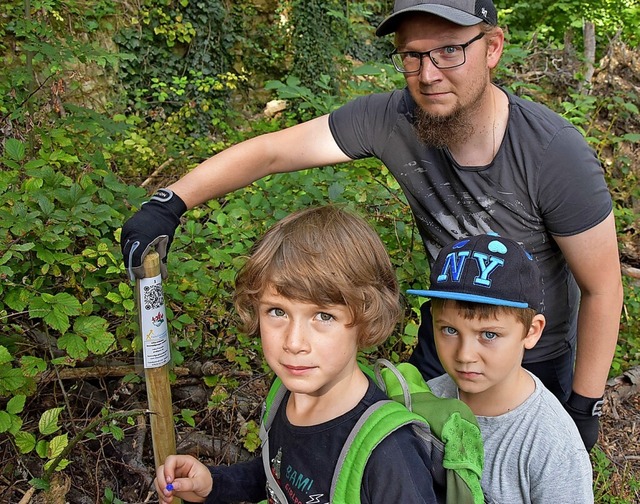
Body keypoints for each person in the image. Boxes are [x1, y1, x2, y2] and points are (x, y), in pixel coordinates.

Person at [121, 0, 623, 451]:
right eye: (412, 55)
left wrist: (585, 404)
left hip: (531, 355)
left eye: (449, 51)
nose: (427, 74)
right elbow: (273, 151)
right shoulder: (394, 119)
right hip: (444, 343)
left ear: (492, 48)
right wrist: (171, 202)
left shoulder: (553, 154)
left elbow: (601, 288)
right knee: (434, 469)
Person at [154, 205, 439, 504]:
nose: (294, 342)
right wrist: (213, 484)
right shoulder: (285, 395)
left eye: (323, 316)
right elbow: (275, 475)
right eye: (277, 312)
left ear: (367, 318)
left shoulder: (389, 454)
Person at [408, 233, 594, 503]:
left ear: (531, 331)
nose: (465, 354)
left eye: (489, 335)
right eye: (449, 330)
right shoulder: (427, 400)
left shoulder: (552, 444)